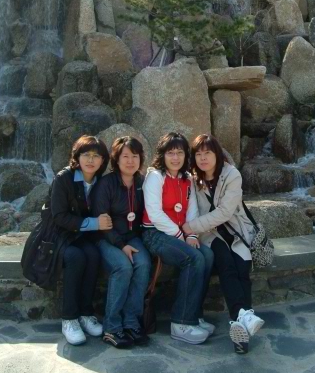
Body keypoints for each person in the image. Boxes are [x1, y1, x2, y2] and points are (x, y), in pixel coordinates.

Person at [183, 134, 264, 354]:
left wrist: (191, 227)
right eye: (198, 154)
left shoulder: (232, 175)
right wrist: (194, 229)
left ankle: (240, 323)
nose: (203, 158)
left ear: (217, 154)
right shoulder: (192, 179)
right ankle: (244, 320)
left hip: (236, 231)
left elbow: (225, 212)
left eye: (207, 153)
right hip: (210, 234)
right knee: (226, 263)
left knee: (242, 267)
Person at [142, 132, 215, 345]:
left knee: (207, 255)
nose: (175, 158)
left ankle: (195, 315)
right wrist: (181, 236)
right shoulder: (155, 177)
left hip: (180, 233)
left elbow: (191, 211)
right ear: (163, 155)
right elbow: (155, 214)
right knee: (193, 258)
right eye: (170, 153)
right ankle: (181, 323)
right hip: (155, 233)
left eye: (180, 153)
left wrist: (191, 234)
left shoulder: (187, 179)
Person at [50, 135, 111, 346]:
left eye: (96, 156)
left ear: (103, 160)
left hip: (80, 236)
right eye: (86, 154)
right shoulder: (64, 178)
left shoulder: (100, 181)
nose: (91, 160)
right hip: (59, 235)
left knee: (93, 255)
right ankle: (69, 319)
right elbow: (59, 216)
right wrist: (95, 223)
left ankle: (86, 314)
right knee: (76, 257)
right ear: (77, 157)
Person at [91, 136, 152, 349]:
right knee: (123, 266)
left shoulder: (142, 182)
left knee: (143, 263)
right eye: (125, 156)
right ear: (116, 160)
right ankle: (112, 327)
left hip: (132, 236)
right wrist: (120, 245)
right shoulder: (106, 184)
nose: (130, 161)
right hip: (106, 238)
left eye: (135, 156)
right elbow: (102, 222)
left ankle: (131, 322)